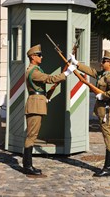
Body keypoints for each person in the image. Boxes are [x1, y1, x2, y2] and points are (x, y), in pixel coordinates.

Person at [23, 44, 75, 175]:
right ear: (33, 57)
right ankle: (27, 166)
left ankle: (27, 165)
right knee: (31, 136)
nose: (41, 57)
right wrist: (66, 73)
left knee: (32, 135)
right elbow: (49, 79)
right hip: (35, 105)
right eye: (39, 55)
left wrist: (44, 97)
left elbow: (40, 87)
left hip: (37, 102)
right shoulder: (34, 71)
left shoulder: (35, 69)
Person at [69, 50, 110, 177]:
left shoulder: (109, 76)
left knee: (108, 138)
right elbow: (91, 72)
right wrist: (76, 64)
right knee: (107, 137)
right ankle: (109, 166)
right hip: (103, 111)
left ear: (109, 63)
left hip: (107, 112)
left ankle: (108, 167)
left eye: (103, 61)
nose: (101, 63)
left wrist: (103, 96)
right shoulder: (102, 74)